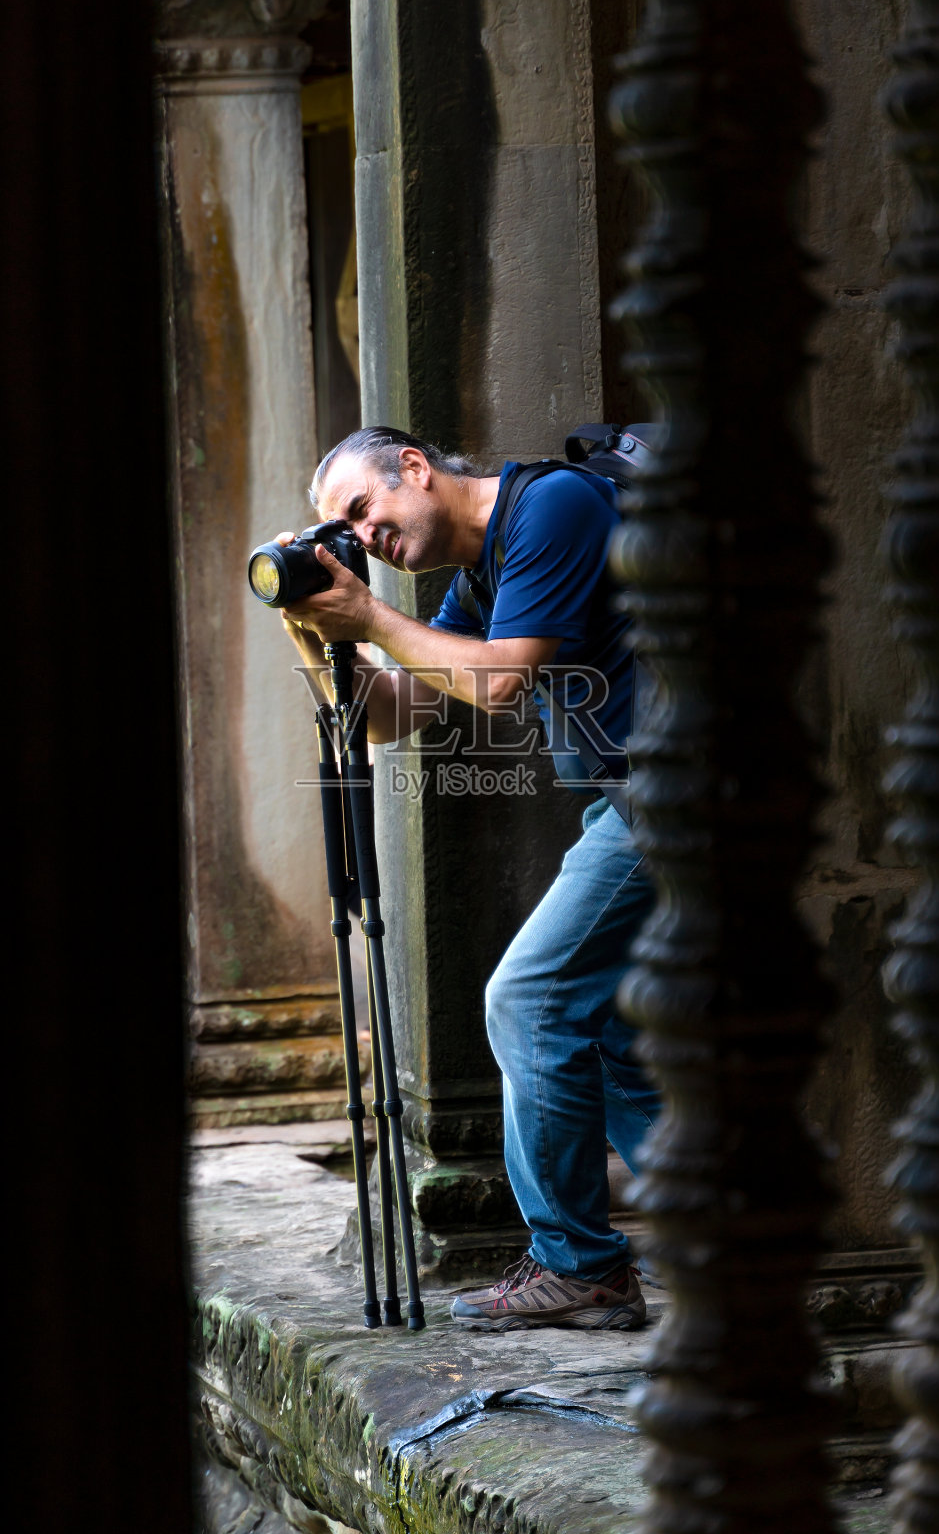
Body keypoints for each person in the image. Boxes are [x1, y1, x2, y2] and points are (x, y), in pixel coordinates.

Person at [278, 425, 659, 1332]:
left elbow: (496, 684)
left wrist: (370, 620)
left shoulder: (553, 505)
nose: (361, 537)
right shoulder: (479, 574)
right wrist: (310, 624)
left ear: (414, 468)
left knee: (529, 1001)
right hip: (630, 799)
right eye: (341, 530)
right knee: (603, 1028)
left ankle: (580, 1267)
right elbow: (387, 716)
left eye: (361, 509)